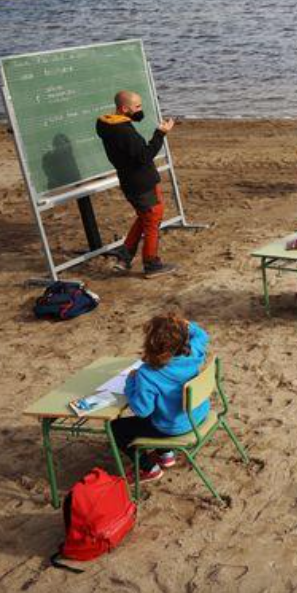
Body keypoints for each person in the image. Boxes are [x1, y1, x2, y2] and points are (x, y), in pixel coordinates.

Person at [112, 312, 211, 482]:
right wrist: (186, 325)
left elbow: (142, 410)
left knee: (117, 428)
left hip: (174, 426)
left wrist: (131, 382)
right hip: (198, 414)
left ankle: (148, 468)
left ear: (150, 345)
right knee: (162, 407)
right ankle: (166, 455)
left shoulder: (147, 374)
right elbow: (202, 334)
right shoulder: (193, 352)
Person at [97, 90, 177, 277]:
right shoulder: (124, 131)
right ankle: (151, 263)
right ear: (124, 108)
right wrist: (160, 133)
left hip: (131, 181)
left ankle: (125, 255)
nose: (140, 110)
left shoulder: (108, 124)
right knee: (152, 219)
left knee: (145, 216)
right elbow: (145, 156)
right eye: (137, 107)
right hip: (141, 182)